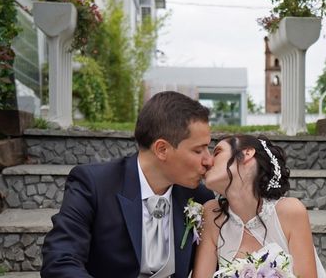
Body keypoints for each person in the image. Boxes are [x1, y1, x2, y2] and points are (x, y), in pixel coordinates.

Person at [41, 91, 215, 278]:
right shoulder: (94, 185)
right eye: (198, 150)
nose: (209, 160)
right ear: (162, 149)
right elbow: (59, 261)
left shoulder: (201, 199)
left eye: (208, 148)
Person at [192, 134, 326, 278]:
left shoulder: (290, 211)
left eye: (218, 152)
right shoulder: (211, 213)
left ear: (247, 153)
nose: (208, 162)